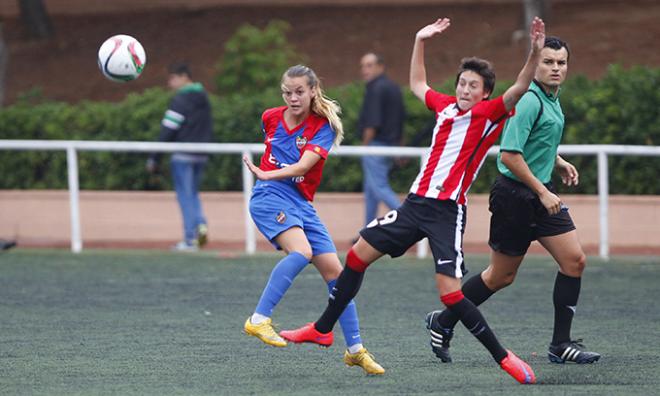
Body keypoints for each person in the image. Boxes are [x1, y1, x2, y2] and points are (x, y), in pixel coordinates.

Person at [280, 17, 547, 384]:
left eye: (474, 85)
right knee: (357, 255)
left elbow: (519, 86)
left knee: (450, 295)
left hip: (446, 212)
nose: (466, 89)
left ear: (486, 93)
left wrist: (534, 52)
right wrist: (420, 40)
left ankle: (505, 358)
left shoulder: (491, 113)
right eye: (463, 83)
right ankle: (324, 329)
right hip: (414, 206)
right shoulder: (444, 107)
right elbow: (418, 83)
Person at [426, 37, 601, 365]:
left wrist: (556, 160)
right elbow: (510, 155)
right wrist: (543, 190)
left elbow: (534, 141)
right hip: (515, 197)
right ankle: (443, 321)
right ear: (536, 64)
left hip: (539, 193)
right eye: (548, 62)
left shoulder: (552, 98)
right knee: (500, 277)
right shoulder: (530, 100)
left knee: (574, 261)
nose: (555, 68)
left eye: (561, 63)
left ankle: (560, 344)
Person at [241, 64, 385, 375]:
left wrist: (267, 171)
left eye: (299, 92)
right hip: (269, 197)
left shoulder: (323, 126)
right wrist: (266, 178)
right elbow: (277, 156)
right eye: (287, 92)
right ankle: (258, 319)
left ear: (313, 91)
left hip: (302, 204)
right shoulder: (270, 117)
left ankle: (356, 350)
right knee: (302, 252)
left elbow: (303, 168)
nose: (292, 98)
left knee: (339, 277)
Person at [147, 62, 213, 252]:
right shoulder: (204, 97)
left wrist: (154, 157)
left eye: (172, 78)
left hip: (183, 154)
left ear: (184, 77)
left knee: (185, 195)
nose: (170, 83)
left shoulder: (180, 100)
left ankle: (190, 239)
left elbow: (168, 130)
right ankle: (200, 224)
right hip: (202, 154)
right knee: (193, 193)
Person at [358, 53, 405, 226]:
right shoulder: (394, 87)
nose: (364, 70)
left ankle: (409, 221)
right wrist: (400, 148)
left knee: (380, 189)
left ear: (380, 67)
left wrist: (364, 147)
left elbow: (372, 123)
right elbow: (400, 120)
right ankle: (367, 232)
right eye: (363, 66)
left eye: (369, 65)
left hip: (375, 146)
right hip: (390, 146)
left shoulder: (375, 88)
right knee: (371, 191)